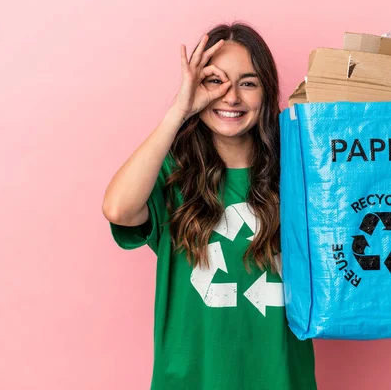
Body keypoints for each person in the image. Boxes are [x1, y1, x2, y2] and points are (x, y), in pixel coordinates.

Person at [102, 22, 317, 390]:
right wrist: (178, 110)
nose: (231, 97)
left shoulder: (299, 170)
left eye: (248, 83)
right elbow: (119, 210)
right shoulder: (172, 173)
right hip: (189, 380)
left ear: (266, 92)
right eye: (215, 81)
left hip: (281, 378)